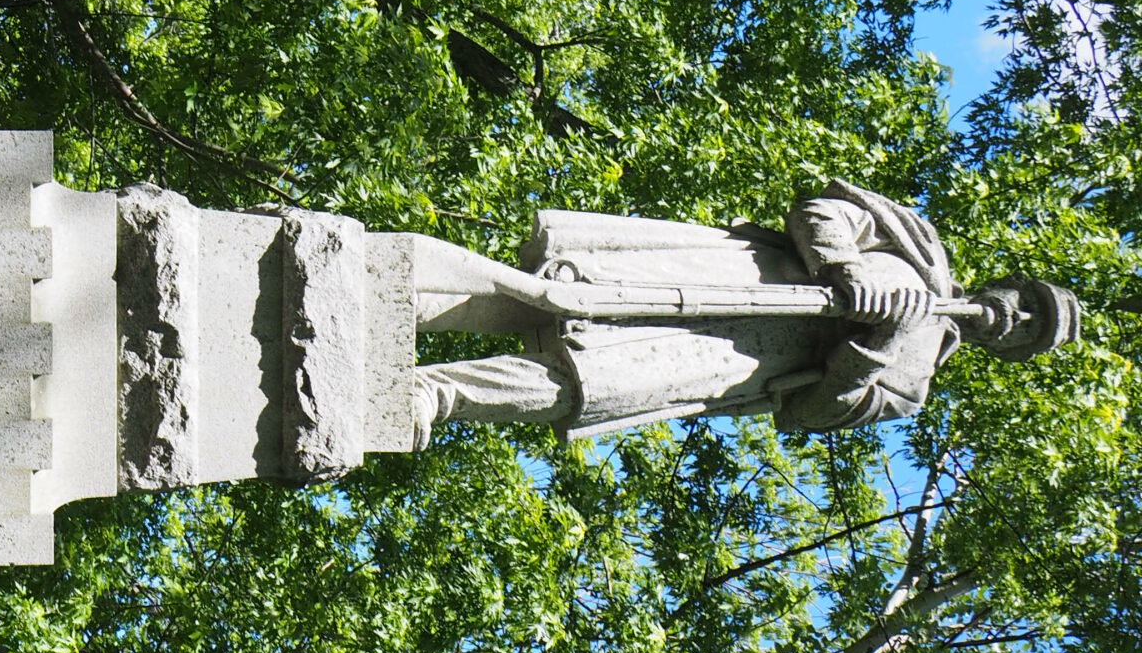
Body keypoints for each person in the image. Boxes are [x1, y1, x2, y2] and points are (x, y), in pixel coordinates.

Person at [407, 180, 1080, 444]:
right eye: (1029, 307)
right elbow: (821, 210)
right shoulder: (919, 245)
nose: (1017, 320)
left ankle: (433, 394)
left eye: (1028, 333)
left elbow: (810, 414)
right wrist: (843, 265)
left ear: (1009, 351)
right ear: (1012, 286)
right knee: (553, 291)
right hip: (723, 278)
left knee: (576, 386)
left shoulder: (910, 384)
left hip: (730, 362)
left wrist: (878, 345)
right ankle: (405, 289)